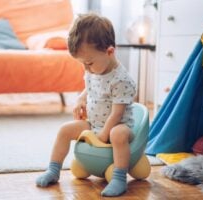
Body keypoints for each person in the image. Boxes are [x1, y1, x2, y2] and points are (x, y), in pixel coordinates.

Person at [36, 13, 136, 197]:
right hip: (94, 124)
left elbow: (116, 114)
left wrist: (104, 134)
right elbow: (89, 88)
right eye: (83, 64)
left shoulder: (121, 80)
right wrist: (81, 99)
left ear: (110, 51)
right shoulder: (94, 69)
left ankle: (120, 178)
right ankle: (53, 169)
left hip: (118, 126)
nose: (86, 69)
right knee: (65, 130)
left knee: (118, 133)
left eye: (88, 63)